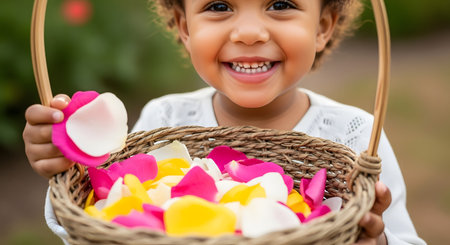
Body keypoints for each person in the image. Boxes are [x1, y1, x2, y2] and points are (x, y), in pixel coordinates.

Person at [23, 0, 426, 244]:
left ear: (322, 27)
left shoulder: (355, 134)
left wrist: (379, 240)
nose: (249, 33)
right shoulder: (164, 118)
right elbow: (102, 224)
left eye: (281, 3)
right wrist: (73, 164)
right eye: (218, 6)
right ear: (185, 27)